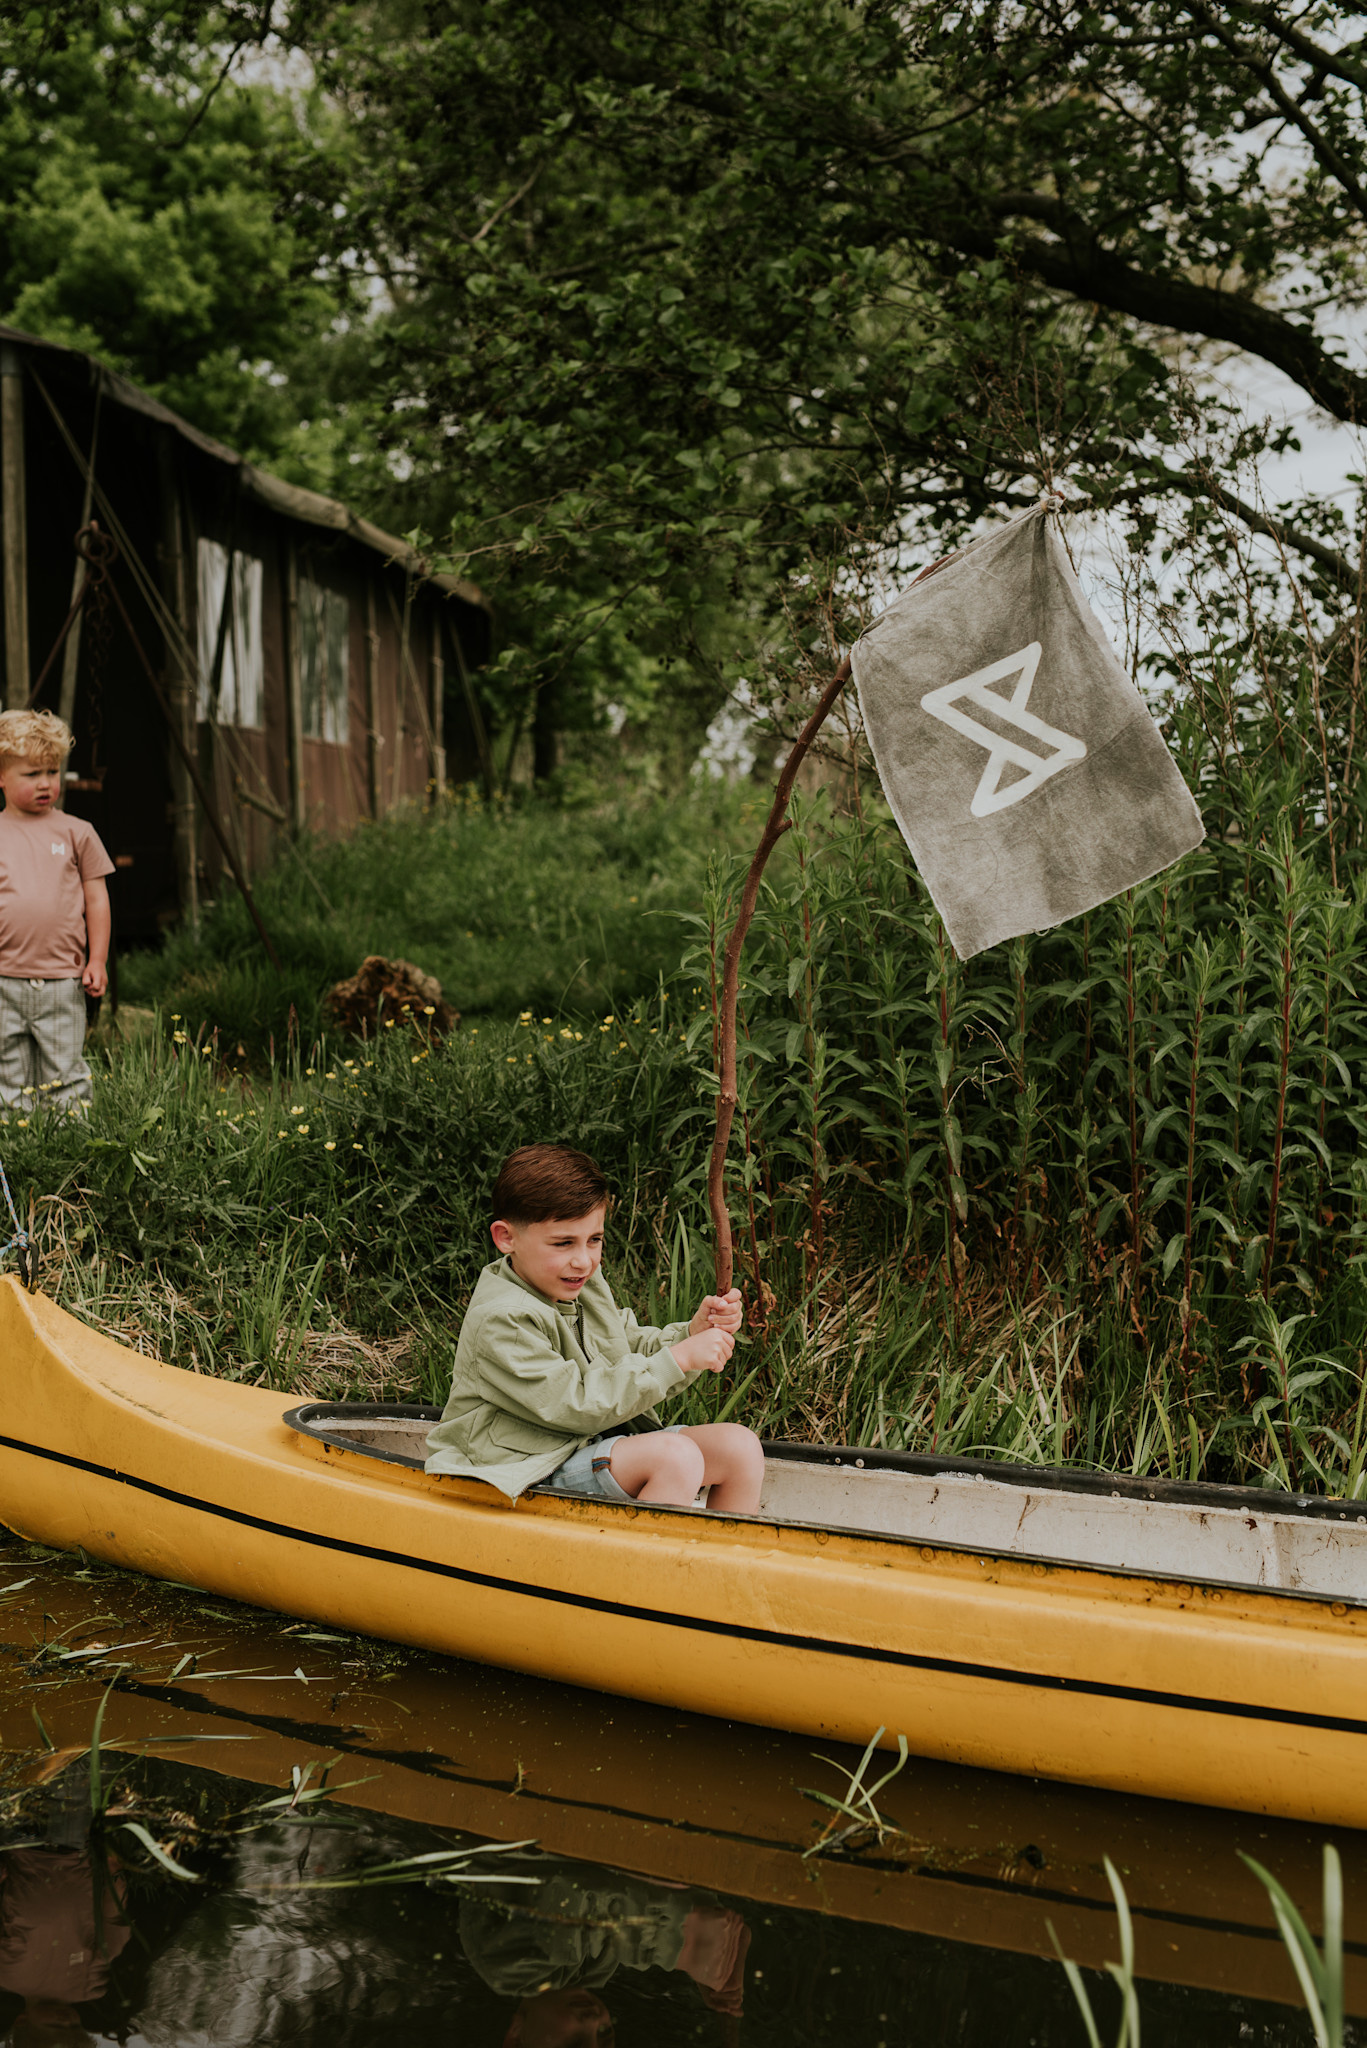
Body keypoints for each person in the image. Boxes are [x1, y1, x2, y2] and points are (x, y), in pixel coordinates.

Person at [426, 1142, 766, 1512]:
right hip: (521, 1467)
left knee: (740, 1447)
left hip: (584, 1445)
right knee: (675, 1456)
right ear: (506, 1238)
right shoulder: (502, 1318)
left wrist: (691, 1335)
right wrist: (677, 1360)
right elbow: (576, 1404)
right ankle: (637, 1569)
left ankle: (719, 1565)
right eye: (563, 1243)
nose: (583, 1260)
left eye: (594, 1240)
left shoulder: (578, 1284)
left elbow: (624, 1347)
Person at [0, 710, 112, 1114]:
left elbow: (97, 899)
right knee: (7, 1069)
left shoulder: (77, 832)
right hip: (3, 978)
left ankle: (70, 1141)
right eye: (31, 774)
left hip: (62, 979)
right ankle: (18, 1136)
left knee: (64, 1065)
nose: (45, 783)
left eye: (52, 771)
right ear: (1, 776)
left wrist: (97, 959)